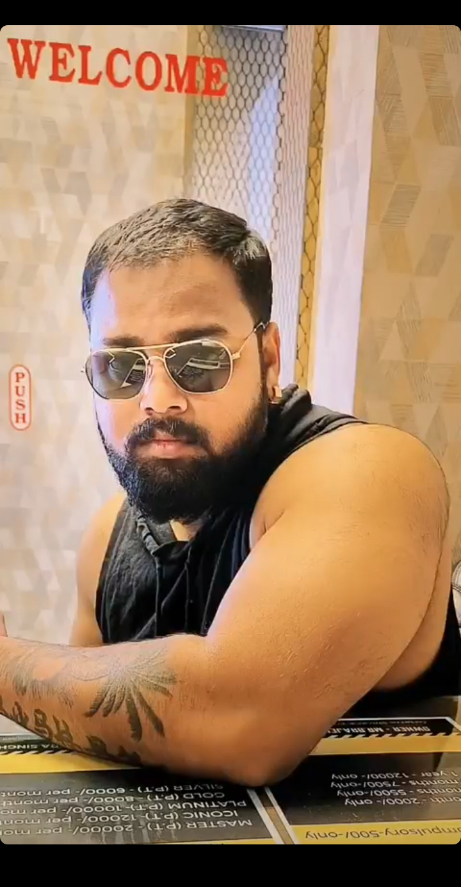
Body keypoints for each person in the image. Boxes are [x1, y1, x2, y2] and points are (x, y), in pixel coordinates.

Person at [1, 199, 460, 785]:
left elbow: (241, 723)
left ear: (268, 361)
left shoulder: (370, 473)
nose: (158, 398)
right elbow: (84, 728)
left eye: (200, 360)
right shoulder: (107, 537)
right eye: (121, 367)